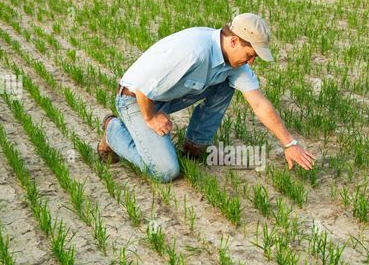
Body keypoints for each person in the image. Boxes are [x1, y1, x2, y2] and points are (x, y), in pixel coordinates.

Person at [98, 12, 315, 181]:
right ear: (234, 42)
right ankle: (114, 130)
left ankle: (194, 145)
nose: (251, 62)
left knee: (226, 83)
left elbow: (259, 103)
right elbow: (142, 87)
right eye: (250, 55)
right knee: (164, 171)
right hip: (135, 99)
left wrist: (290, 143)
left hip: (167, 96)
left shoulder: (233, 63)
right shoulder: (194, 51)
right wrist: (151, 117)